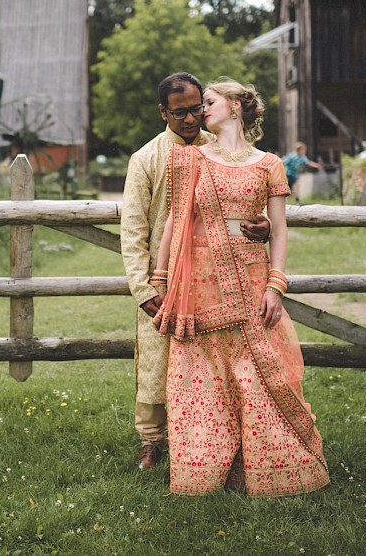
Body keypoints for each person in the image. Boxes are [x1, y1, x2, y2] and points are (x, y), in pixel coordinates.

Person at [153, 78, 329, 496]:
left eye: (208, 103)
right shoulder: (189, 158)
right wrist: (160, 279)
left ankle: (265, 469)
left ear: (235, 106)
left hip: (252, 280)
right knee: (206, 377)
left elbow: (280, 230)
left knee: (257, 376)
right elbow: (176, 223)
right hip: (200, 284)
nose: (200, 112)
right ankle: (204, 471)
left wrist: (276, 285)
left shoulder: (268, 163)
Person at [120, 72, 271, 471]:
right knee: (156, 360)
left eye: (196, 109)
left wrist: (264, 227)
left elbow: (250, 197)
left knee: (208, 362)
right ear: (162, 112)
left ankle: (209, 438)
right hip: (161, 279)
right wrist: (143, 287)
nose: (190, 119)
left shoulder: (220, 148)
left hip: (211, 277)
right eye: (179, 112)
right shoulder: (147, 158)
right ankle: (152, 442)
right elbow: (133, 228)